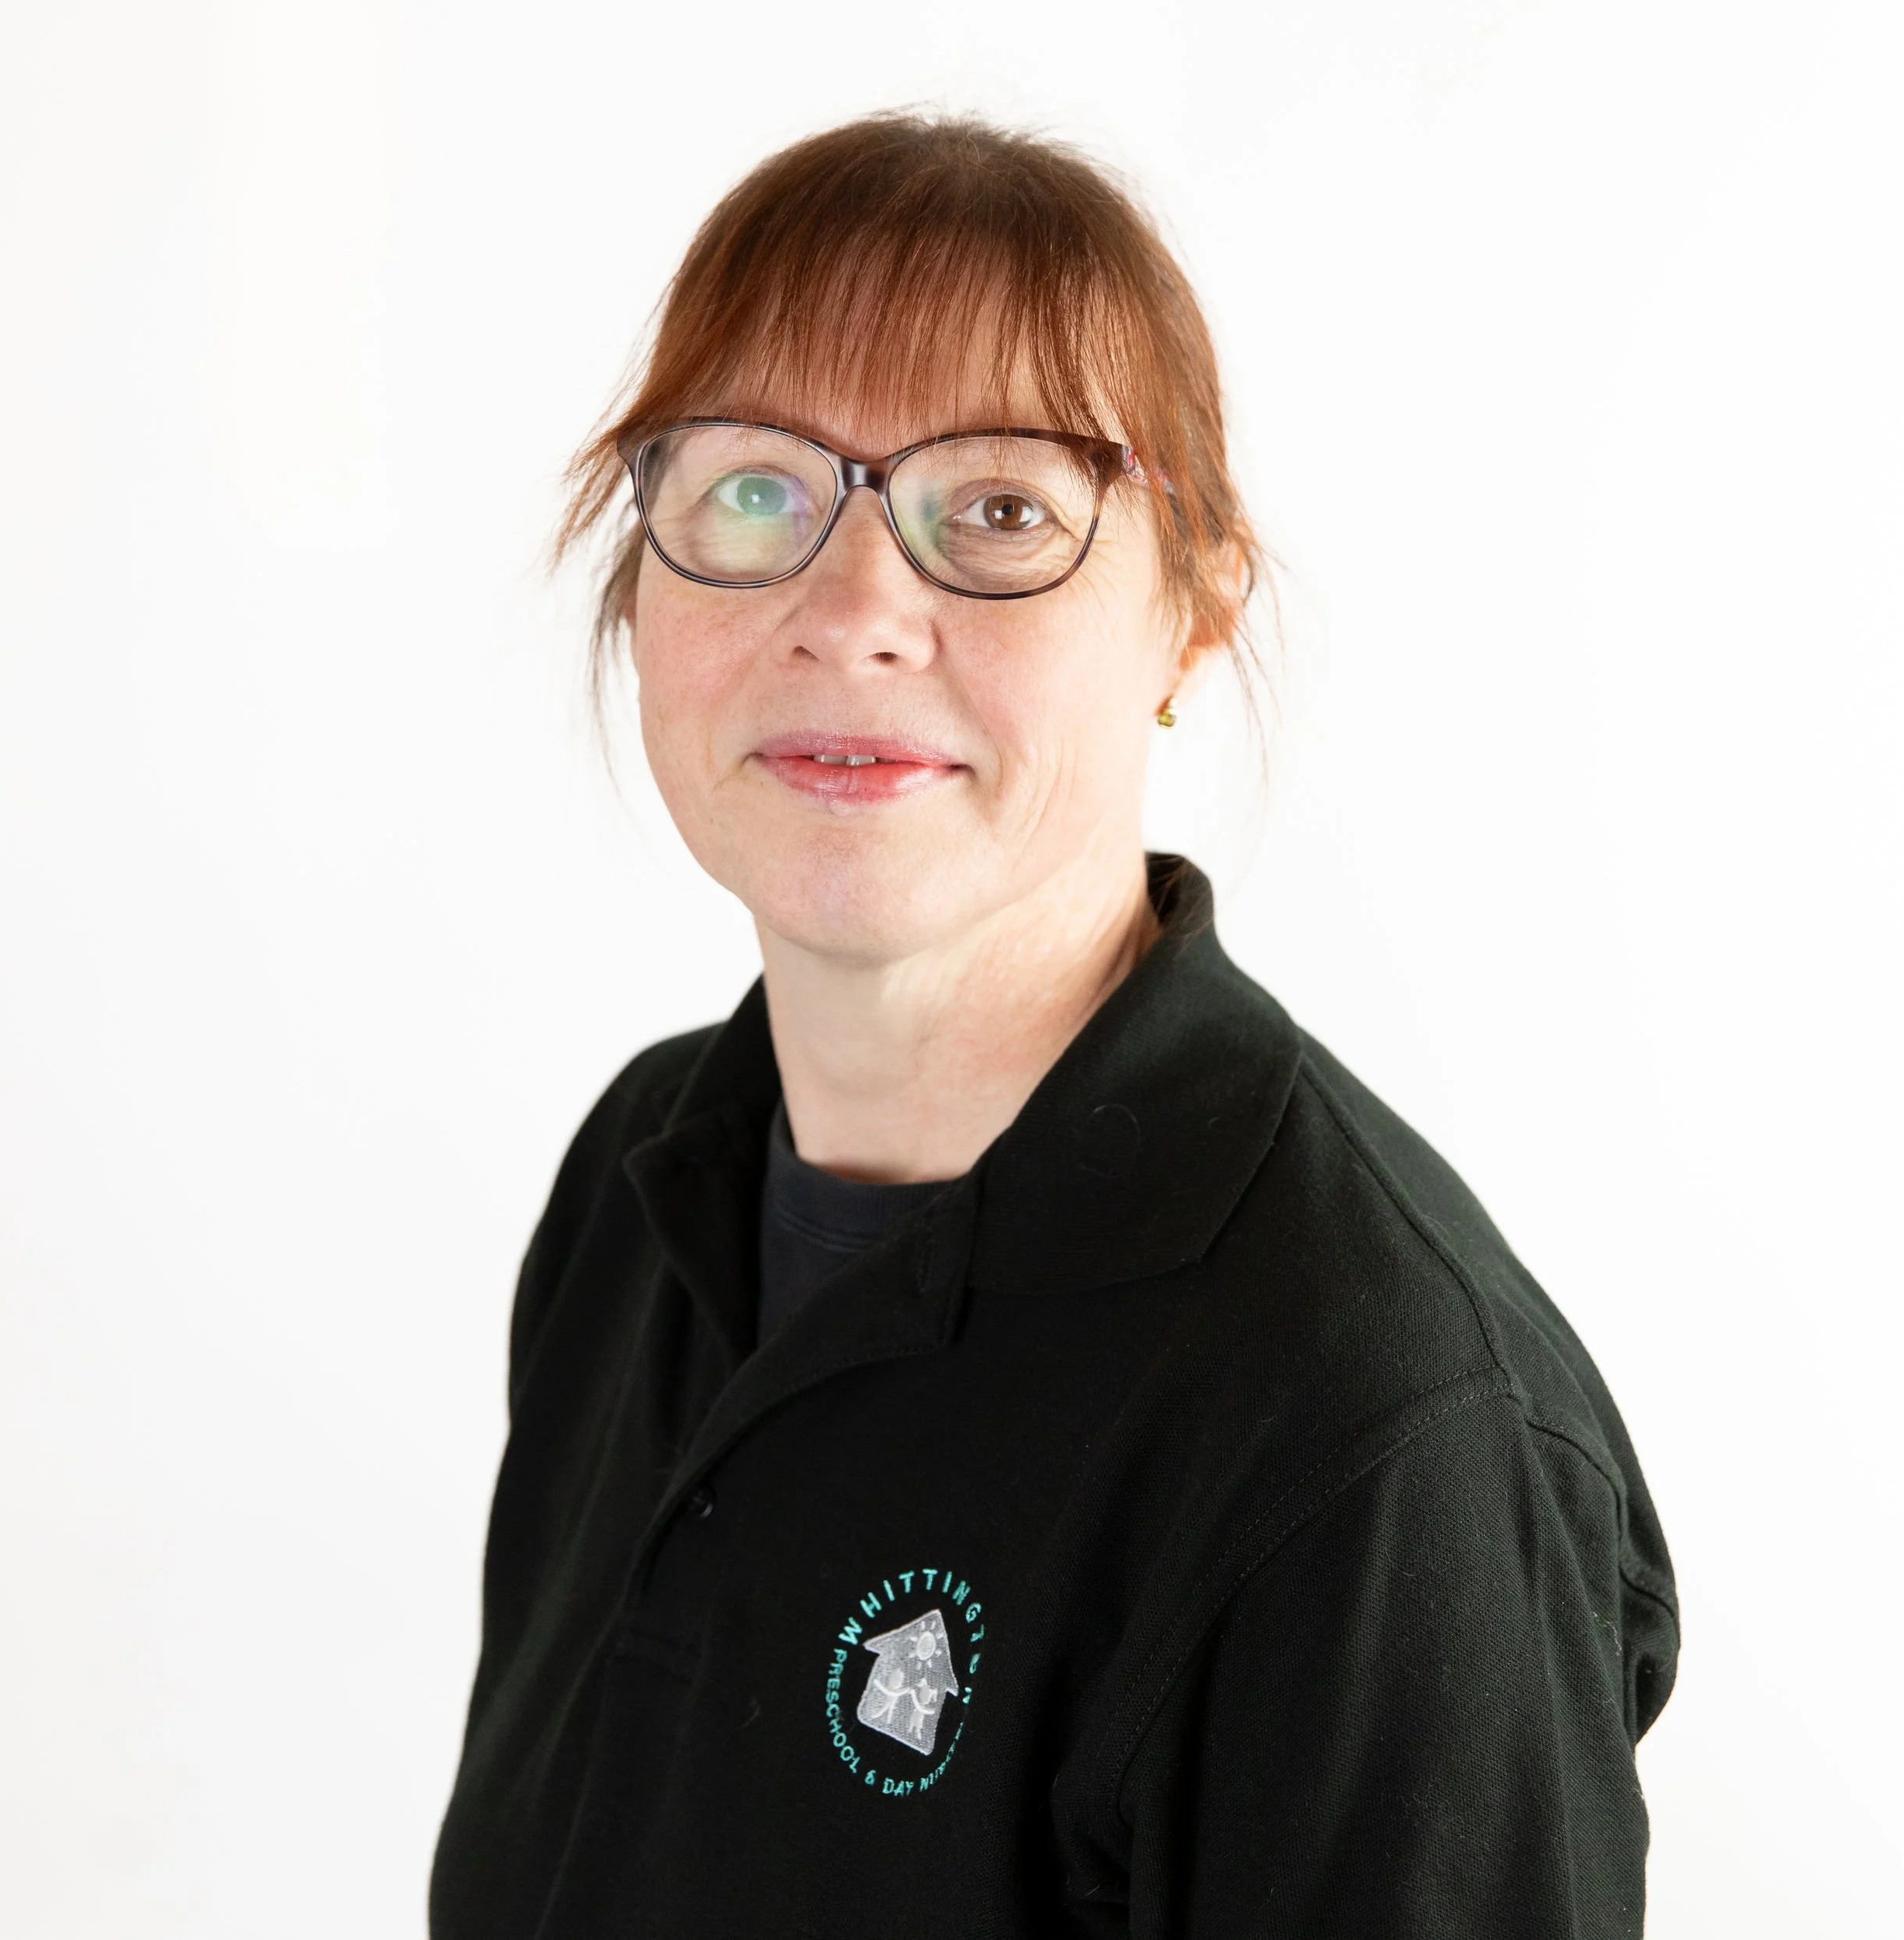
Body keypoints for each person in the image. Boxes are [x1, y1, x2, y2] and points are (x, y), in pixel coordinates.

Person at [430, 113, 1677, 1939]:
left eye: (1000, 509)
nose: (854, 613)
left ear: (1192, 614)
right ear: (640, 581)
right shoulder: (638, 1185)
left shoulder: (1371, 1419)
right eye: (756, 491)